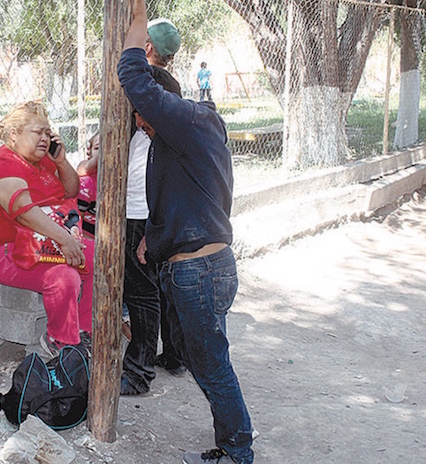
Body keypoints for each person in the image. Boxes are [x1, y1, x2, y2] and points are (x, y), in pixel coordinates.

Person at [118, 1, 255, 463]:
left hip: (199, 271)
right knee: (202, 358)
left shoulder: (187, 121)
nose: (140, 123)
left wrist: (136, 22)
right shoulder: (188, 142)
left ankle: (238, 450)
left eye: (142, 116)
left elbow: (135, 76)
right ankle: (231, 443)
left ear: (161, 107)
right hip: (205, 265)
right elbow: (184, 203)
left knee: (212, 365)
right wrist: (150, 241)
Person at [0, 100, 94, 359]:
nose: (45, 138)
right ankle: (61, 341)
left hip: (44, 244)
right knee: (64, 277)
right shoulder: (2, 164)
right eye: (38, 132)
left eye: (47, 133)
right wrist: (65, 239)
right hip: (5, 250)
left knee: (102, 257)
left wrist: (61, 162)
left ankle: (85, 331)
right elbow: (25, 212)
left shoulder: (44, 162)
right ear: (14, 134)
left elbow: (72, 191)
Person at [120, 17, 186, 396]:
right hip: (156, 203)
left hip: (137, 206)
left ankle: (138, 370)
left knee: (140, 291)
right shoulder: (171, 87)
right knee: (161, 285)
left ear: (146, 48)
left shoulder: (145, 85)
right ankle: (174, 354)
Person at [76, 131, 100, 239]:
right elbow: (76, 222)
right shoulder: (86, 184)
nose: (103, 152)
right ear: (89, 152)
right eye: (98, 148)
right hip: (88, 241)